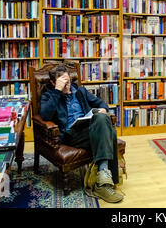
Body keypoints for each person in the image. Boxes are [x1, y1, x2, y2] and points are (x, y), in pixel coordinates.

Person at [40, 65, 123, 203]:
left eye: (68, 81)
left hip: (89, 129)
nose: (67, 86)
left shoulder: (80, 91)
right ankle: (106, 180)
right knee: (110, 132)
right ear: (53, 83)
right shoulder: (49, 95)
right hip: (70, 135)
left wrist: (102, 109)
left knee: (102, 118)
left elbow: (102, 103)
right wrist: (57, 91)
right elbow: (45, 115)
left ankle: (102, 182)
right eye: (63, 83)